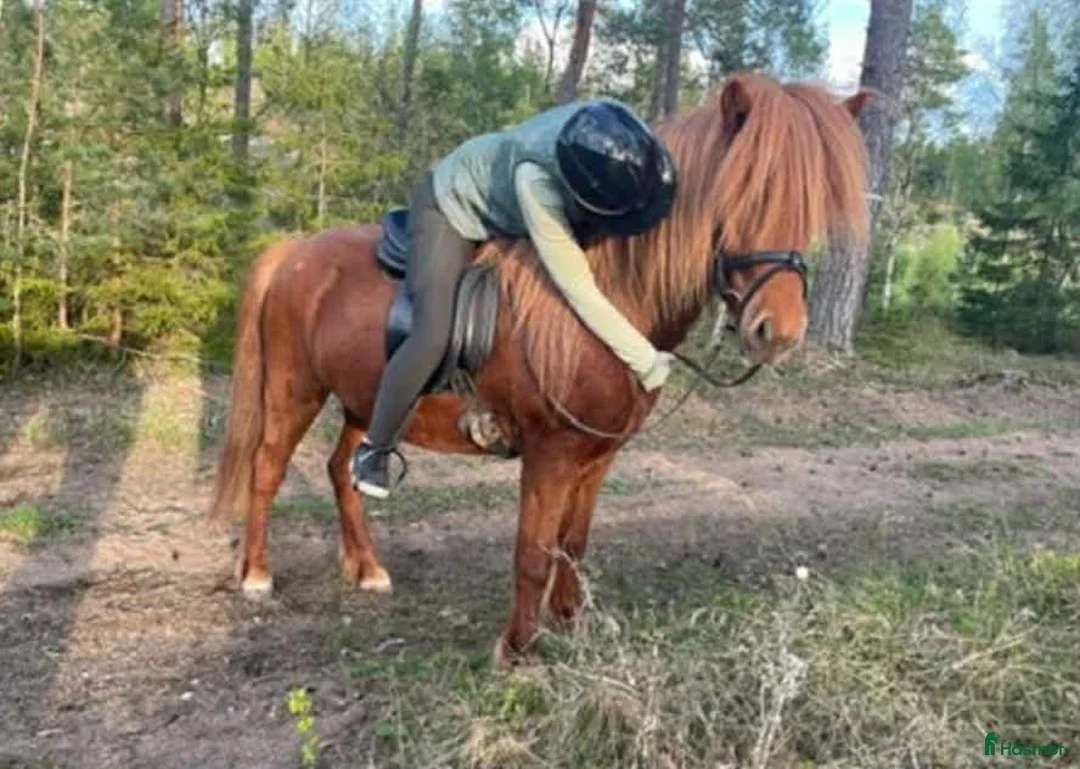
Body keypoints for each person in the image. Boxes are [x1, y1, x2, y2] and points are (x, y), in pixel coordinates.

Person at [351, 97, 678, 499]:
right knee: (432, 333)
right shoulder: (535, 182)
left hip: (516, 191)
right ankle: (375, 448)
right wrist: (643, 357)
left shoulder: (613, 125)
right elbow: (577, 286)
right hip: (453, 205)